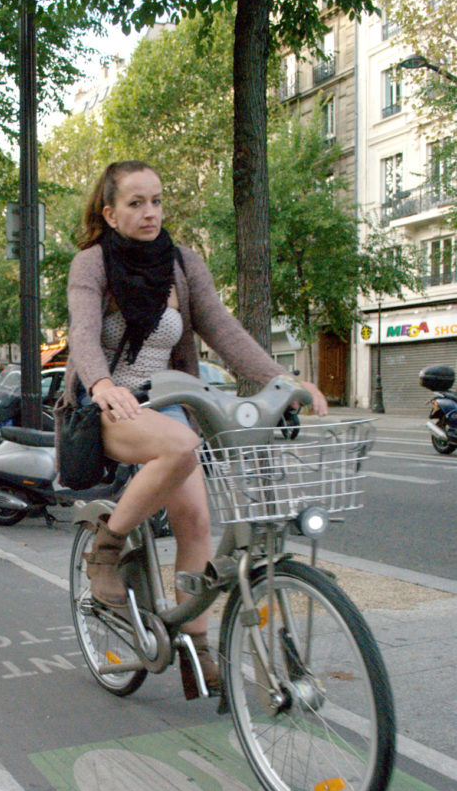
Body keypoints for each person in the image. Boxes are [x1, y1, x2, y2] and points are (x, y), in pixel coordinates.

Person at [63, 160, 327, 698]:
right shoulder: (91, 265)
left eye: (156, 200)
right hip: (114, 409)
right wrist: (100, 385)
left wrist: (282, 379)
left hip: (172, 402)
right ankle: (106, 550)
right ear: (109, 213)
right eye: (135, 203)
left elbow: (223, 328)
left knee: (197, 522)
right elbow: (84, 335)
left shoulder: (182, 264)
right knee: (182, 446)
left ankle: (195, 649)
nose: (150, 212)